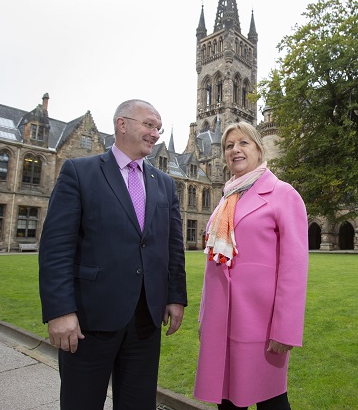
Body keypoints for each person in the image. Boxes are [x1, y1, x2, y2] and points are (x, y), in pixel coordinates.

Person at [38, 99, 187, 410]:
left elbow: (173, 247)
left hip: (146, 318)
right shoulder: (80, 172)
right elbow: (56, 249)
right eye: (149, 124)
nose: (154, 133)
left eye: (158, 128)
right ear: (122, 124)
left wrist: (175, 296)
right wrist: (59, 311)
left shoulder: (165, 185)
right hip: (90, 319)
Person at [194, 121, 309, 410]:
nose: (235, 150)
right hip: (222, 321)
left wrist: (286, 329)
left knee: (271, 401)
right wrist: (205, 316)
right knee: (228, 402)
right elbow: (214, 266)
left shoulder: (284, 194)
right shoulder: (226, 198)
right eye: (229, 145)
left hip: (261, 324)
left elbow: (294, 269)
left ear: (259, 149)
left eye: (243, 143)